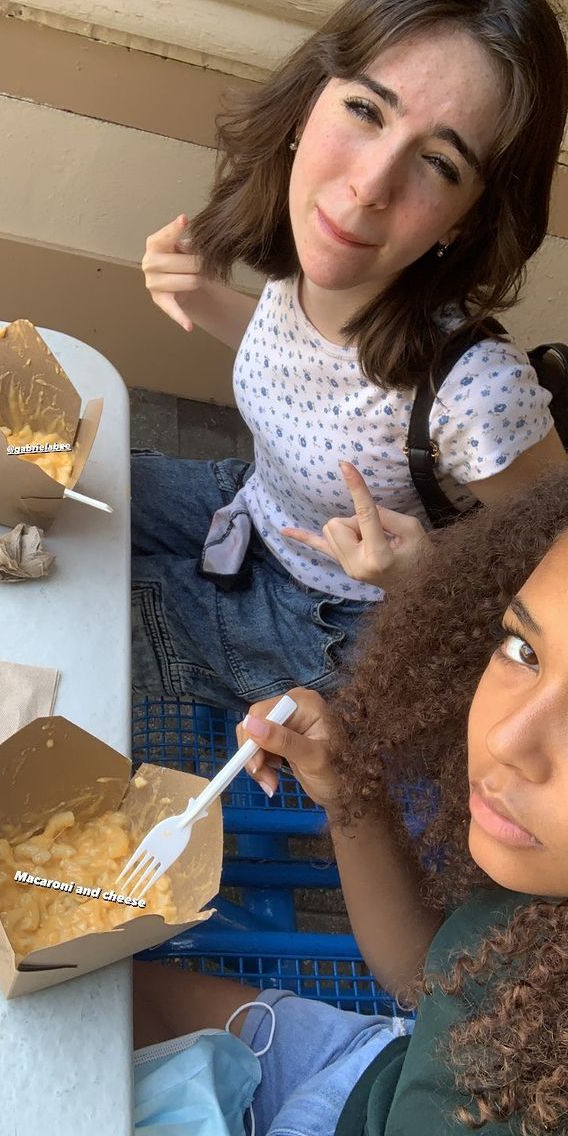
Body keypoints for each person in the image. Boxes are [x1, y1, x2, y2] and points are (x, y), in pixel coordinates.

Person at [133, 0, 568, 710]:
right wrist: (201, 296)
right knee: (59, 494)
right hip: (253, 507)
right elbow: (317, 372)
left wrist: (427, 579)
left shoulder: (477, 392)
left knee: (82, 606)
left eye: (439, 162)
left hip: (326, 618)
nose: (369, 186)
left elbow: (559, 558)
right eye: (366, 110)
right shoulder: (310, 245)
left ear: (468, 220)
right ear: (309, 104)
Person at [133, 469, 568, 1135]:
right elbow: (430, 978)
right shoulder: (540, 896)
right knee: (96, 1002)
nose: (508, 741)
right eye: (523, 649)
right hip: (370, 1066)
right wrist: (344, 790)